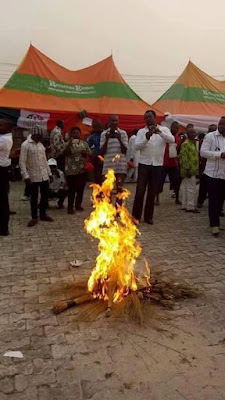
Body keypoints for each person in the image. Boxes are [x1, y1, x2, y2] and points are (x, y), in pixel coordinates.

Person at [132, 110, 174, 225]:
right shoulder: (141, 131)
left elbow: (172, 140)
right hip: (144, 164)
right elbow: (136, 146)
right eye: (146, 118)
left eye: (150, 117)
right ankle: (136, 217)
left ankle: (148, 217)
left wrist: (160, 133)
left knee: (152, 192)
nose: (148, 120)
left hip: (157, 165)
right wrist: (146, 138)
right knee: (140, 191)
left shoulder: (164, 129)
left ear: (155, 118)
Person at [19, 125, 54, 227]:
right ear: (34, 135)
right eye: (40, 136)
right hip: (33, 176)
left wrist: (49, 174)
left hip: (44, 175)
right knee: (34, 197)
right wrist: (26, 176)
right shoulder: (25, 145)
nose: (41, 137)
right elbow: (22, 162)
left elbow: (45, 161)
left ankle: (43, 214)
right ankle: (34, 217)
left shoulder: (40, 145)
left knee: (45, 196)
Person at [200, 117, 225, 236]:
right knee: (214, 201)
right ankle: (214, 225)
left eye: (224, 125)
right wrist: (220, 155)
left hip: (224, 175)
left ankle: (218, 222)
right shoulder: (210, 136)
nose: (221, 126)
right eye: (220, 124)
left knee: (221, 201)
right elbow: (203, 152)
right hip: (212, 175)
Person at [100, 115, 128, 205]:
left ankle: (119, 209)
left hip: (120, 165)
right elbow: (102, 151)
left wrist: (119, 139)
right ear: (109, 122)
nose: (114, 123)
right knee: (107, 189)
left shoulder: (123, 133)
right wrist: (107, 139)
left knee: (120, 189)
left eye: (116, 121)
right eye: (112, 121)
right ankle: (109, 211)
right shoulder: (104, 134)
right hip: (108, 165)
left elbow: (125, 150)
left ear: (118, 122)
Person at [63, 126, 91, 214]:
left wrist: (85, 153)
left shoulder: (84, 143)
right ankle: (70, 208)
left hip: (82, 169)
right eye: (74, 133)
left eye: (77, 133)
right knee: (71, 189)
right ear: (71, 134)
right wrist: (69, 144)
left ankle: (78, 205)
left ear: (80, 134)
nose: (76, 134)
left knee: (80, 189)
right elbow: (64, 153)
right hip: (71, 170)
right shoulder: (67, 143)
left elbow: (90, 153)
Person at [197, 124, 217, 208]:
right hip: (205, 166)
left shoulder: (219, 140)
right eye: (210, 130)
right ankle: (200, 201)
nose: (212, 132)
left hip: (216, 167)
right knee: (203, 186)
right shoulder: (205, 140)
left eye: (213, 130)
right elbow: (202, 153)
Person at [179, 127, 200, 213]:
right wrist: (187, 169)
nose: (194, 134)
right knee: (191, 188)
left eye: (195, 133)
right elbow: (184, 158)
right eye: (192, 133)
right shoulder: (186, 144)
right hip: (189, 170)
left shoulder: (192, 143)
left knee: (185, 187)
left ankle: (185, 205)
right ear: (188, 134)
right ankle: (190, 206)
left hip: (192, 170)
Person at [161, 121, 182, 205]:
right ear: (171, 128)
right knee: (159, 181)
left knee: (176, 181)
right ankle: (157, 198)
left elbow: (178, 150)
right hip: (164, 162)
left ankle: (177, 198)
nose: (176, 129)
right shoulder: (166, 137)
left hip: (174, 163)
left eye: (177, 128)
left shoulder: (178, 139)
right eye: (174, 127)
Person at [0, 118, 14, 236]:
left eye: (1, 125)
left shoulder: (4, 140)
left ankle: (3, 228)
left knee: (3, 201)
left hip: (1, 171)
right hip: (3, 170)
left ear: (8, 128)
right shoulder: (3, 137)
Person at [87, 120, 103, 185]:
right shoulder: (93, 136)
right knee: (97, 172)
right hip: (96, 156)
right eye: (95, 127)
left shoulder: (105, 134)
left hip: (105, 156)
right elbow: (87, 145)